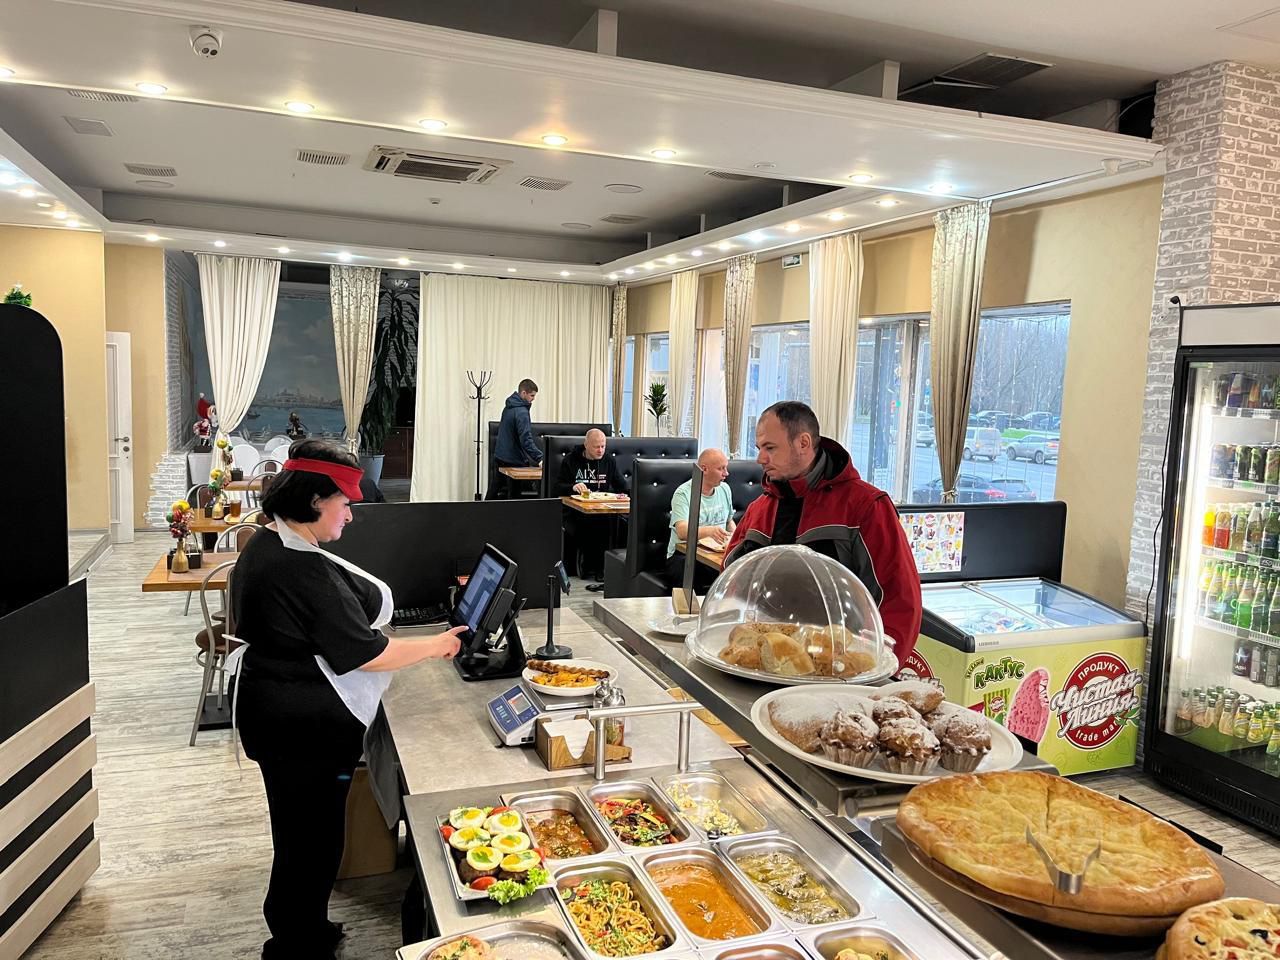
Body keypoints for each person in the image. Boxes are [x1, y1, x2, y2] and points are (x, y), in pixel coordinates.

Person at [230, 439, 465, 959]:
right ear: (316, 501)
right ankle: (295, 946)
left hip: (278, 717)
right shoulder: (296, 567)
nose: (351, 516)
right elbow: (366, 654)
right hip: (299, 730)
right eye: (346, 503)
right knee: (309, 842)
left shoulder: (270, 543)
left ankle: (304, 927)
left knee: (302, 836)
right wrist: (436, 645)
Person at [724, 401, 922, 668]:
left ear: (803, 443)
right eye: (759, 448)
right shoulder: (759, 508)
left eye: (770, 448)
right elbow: (731, 580)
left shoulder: (866, 506)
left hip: (834, 669)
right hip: (760, 664)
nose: (760, 458)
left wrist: (880, 669)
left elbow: (900, 597)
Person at [554, 428, 624, 589]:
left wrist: (625, 494)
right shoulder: (570, 460)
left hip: (602, 511)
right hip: (576, 511)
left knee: (608, 523)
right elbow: (557, 487)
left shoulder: (609, 461)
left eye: (603, 446)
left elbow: (622, 485)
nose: (600, 450)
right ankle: (586, 564)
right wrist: (572, 487)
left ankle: (601, 568)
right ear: (586, 445)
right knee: (588, 523)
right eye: (596, 447)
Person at [666, 448, 735, 589]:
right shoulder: (683, 493)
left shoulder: (725, 489)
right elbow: (682, 531)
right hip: (684, 555)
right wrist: (710, 531)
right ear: (704, 469)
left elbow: (729, 521)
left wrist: (735, 536)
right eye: (721, 469)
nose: (726, 473)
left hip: (716, 553)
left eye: (726, 468)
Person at [491, 378, 543, 499]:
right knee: (514, 496)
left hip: (500, 455)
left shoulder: (508, 407)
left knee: (494, 489)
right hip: (513, 459)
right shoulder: (521, 412)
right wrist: (540, 458)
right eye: (532, 395)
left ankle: (481, 509)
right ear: (523, 393)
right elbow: (526, 439)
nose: (533, 399)